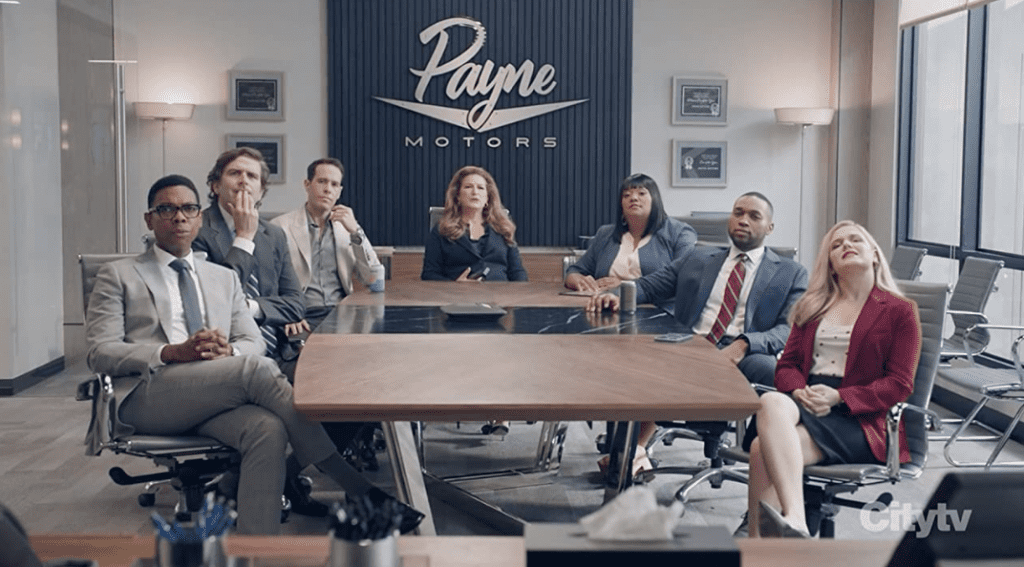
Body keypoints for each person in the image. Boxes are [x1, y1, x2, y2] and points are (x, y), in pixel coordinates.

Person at [85, 174, 423, 535]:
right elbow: (100, 352)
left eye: (188, 208)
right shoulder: (119, 274)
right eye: (166, 209)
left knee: (268, 429)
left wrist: (229, 349)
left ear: (199, 218)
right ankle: (355, 487)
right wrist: (171, 353)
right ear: (149, 219)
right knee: (255, 371)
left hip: (216, 389)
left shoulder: (222, 278)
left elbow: (251, 341)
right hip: (149, 395)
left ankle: (256, 551)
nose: (178, 217)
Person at [587, 192, 808, 474]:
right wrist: (618, 295)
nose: (743, 220)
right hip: (689, 343)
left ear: (770, 227)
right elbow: (651, 286)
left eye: (754, 216)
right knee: (638, 363)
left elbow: (789, 330)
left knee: (776, 375)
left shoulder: (791, 272)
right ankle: (629, 454)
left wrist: (743, 344)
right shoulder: (698, 257)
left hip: (744, 351)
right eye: (738, 212)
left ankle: (761, 460)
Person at [746, 220, 920, 538]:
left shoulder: (900, 311)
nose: (845, 246)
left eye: (855, 240)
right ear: (830, 263)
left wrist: (840, 397)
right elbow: (787, 366)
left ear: (875, 255)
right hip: (808, 398)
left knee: (761, 449)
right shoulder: (812, 307)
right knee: (771, 399)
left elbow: (899, 384)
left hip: (861, 418)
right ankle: (795, 519)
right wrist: (800, 392)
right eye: (836, 245)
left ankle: (756, 540)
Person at [192, 147, 304, 366]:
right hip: (225, 352)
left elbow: (296, 303)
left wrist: (249, 307)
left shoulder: (274, 234)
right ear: (216, 186)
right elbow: (216, 304)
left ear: (261, 191)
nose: (244, 180)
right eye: (235, 173)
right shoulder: (195, 228)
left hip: (279, 351)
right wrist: (244, 237)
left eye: (252, 176)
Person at [271, 157, 384, 336]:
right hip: (300, 315)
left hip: (342, 314)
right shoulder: (279, 227)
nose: (327, 189)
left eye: (334, 184)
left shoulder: (348, 228)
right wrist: (286, 314)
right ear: (307, 184)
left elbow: (375, 281)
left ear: (339, 192)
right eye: (322, 181)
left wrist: (356, 233)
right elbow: (269, 282)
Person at [564, 172, 697, 312]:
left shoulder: (680, 232)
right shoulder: (605, 234)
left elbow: (679, 276)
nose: (633, 198)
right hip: (605, 308)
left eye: (641, 193)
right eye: (626, 195)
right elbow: (575, 271)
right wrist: (578, 280)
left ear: (655, 199)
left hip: (659, 312)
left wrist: (623, 287)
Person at [421, 165, 528, 282]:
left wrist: (516, 295)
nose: (475, 192)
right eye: (468, 187)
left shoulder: (504, 228)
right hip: (458, 297)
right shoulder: (442, 230)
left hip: (499, 296)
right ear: (457, 196)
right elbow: (429, 274)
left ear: (488, 198)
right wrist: (454, 285)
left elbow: (517, 272)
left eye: (481, 188)